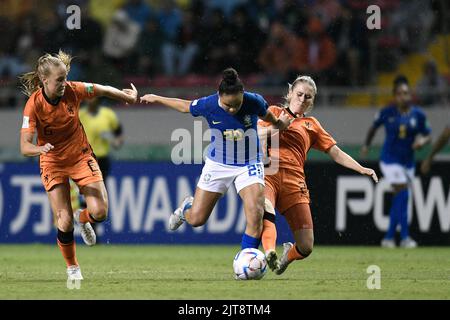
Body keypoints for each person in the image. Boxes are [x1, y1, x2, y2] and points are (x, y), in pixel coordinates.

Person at [140, 68, 291, 250]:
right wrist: (157, 98)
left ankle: (247, 259)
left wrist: (280, 124)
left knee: (255, 215)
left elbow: (269, 117)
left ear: (243, 94)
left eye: (237, 104)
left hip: (249, 163)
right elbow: (185, 106)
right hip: (218, 164)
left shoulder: (254, 101)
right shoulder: (209, 105)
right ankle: (186, 208)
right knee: (196, 219)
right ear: (219, 96)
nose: (233, 109)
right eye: (228, 106)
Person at [19, 51, 137, 281]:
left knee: (100, 212)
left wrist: (126, 97)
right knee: (63, 220)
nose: (64, 84)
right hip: (52, 161)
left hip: (80, 157)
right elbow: (24, 146)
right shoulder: (33, 105)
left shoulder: (73, 90)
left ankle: (84, 219)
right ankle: (72, 267)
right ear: (45, 81)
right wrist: (39, 150)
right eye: (59, 80)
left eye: (65, 78)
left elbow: (101, 88)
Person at [258, 75, 378, 274]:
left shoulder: (311, 124)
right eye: (299, 94)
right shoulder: (273, 112)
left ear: (312, 102)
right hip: (268, 174)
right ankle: (269, 253)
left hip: (295, 181)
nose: (302, 99)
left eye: (308, 97)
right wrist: (278, 126)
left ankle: (287, 255)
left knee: (306, 246)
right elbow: (256, 134)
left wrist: (361, 168)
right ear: (289, 93)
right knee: (266, 209)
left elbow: (335, 152)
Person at [361, 75, 431, 249]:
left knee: (399, 197)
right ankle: (405, 237)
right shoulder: (387, 112)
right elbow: (373, 127)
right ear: (395, 95)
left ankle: (389, 237)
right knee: (404, 192)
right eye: (400, 94)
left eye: (406, 93)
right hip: (390, 160)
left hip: (408, 162)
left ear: (410, 95)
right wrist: (366, 145)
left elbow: (428, 134)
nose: (403, 97)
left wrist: (422, 141)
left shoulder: (418, 115)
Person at [78, 97, 125, 242]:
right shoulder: (80, 115)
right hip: (83, 159)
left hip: (101, 160)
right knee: (85, 194)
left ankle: (93, 230)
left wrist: (115, 141)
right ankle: (86, 226)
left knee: (97, 196)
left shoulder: (108, 115)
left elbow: (118, 134)